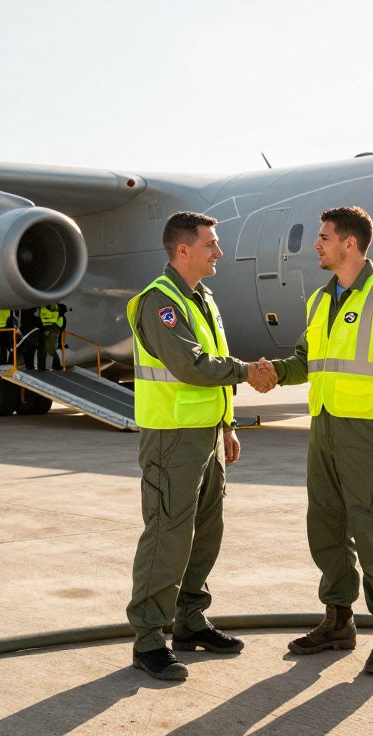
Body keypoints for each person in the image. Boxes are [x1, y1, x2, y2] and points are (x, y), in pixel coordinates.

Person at [250, 206, 373, 676]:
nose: (317, 245)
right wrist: (272, 373)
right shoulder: (320, 301)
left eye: (324, 237)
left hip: (369, 431)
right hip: (324, 427)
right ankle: (339, 620)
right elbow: (310, 361)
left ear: (350, 243)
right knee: (325, 527)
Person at [125, 211, 267, 681]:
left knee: (205, 534)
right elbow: (192, 365)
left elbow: (211, 367)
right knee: (168, 537)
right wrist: (248, 371)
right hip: (171, 439)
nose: (219, 252)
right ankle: (149, 639)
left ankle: (189, 621)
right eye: (211, 244)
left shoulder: (203, 297)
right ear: (183, 251)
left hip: (207, 435)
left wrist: (227, 424)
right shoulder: (160, 302)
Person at [38, 302, 68, 371]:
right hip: (43, 328)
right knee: (42, 348)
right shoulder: (42, 306)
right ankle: (41, 368)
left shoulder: (56, 308)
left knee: (49, 348)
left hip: (52, 329)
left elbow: (60, 327)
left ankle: (56, 366)